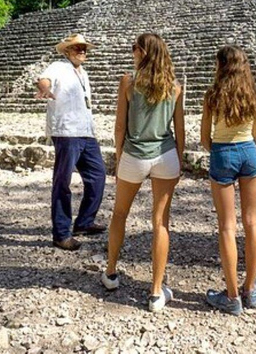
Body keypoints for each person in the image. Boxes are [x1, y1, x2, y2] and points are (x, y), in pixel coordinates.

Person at [101, 33, 185, 313]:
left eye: (134, 48)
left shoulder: (128, 81)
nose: (131, 52)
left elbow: (120, 127)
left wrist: (118, 157)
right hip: (166, 155)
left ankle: (111, 272)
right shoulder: (175, 86)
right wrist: (180, 159)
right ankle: (156, 291)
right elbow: (180, 129)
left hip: (134, 155)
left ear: (143, 52)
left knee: (120, 213)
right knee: (161, 223)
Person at [201, 45, 256, 316]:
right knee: (252, 221)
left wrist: (220, 148)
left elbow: (205, 138)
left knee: (227, 226)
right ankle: (250, 288)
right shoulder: (254, 94)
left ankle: (231, 295)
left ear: (221, 66)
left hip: (223, 151)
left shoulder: (213, 95)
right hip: (249, 151)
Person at [36, 34, 106, 251]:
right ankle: (61, 233)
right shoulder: (58, 66)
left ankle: (84, 221)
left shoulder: (83, 74)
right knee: (62, 182)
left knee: (98, 176)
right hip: (66, 131)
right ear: (67, 51)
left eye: (84, 49)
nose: (82, 52)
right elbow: (43, 79)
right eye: (77, 48)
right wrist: (44, 89)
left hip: (85, 131)